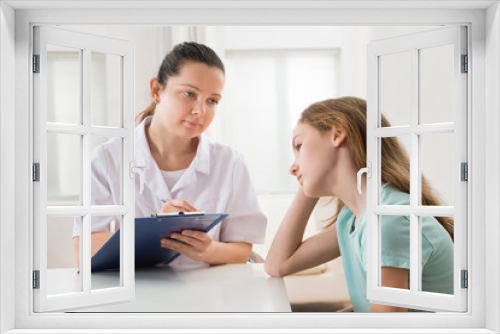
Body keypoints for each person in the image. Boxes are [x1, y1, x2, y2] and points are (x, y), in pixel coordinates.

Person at [73, 42, 267, 268]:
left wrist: (209, 249)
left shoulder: (229, 162)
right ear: (156, 90)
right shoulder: (107, 159)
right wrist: (157, 228)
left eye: (212, 101)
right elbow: (85, 252)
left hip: (206, 294)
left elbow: (242, 250)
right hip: (135, 295)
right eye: (189, 94)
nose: (200, 111)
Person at [265, 97, 454, 312]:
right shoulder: (353, 218)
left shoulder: (388, 219)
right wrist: (309, 179)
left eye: (299, 146)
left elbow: (387, 329)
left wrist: (313, 172)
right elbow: (278, 264)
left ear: (337, 134)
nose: (292, 167)